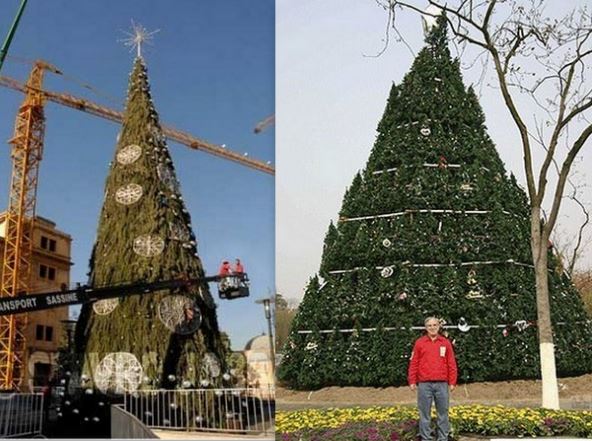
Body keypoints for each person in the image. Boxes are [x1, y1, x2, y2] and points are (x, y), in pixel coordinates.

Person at [408, 317, 457, 441]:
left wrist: (452, 381)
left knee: (443, 414)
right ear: (426, 328)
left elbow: (451, 363)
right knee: (424, 415)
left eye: (435, 325)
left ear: (439, 326)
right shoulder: (419, 343)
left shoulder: (445, 343)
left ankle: (443, 438)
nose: (432, 327)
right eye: (429, 325)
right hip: (424, 384)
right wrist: (412, 380)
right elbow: (414, 363)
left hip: (442, 384)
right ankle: (426, 438)